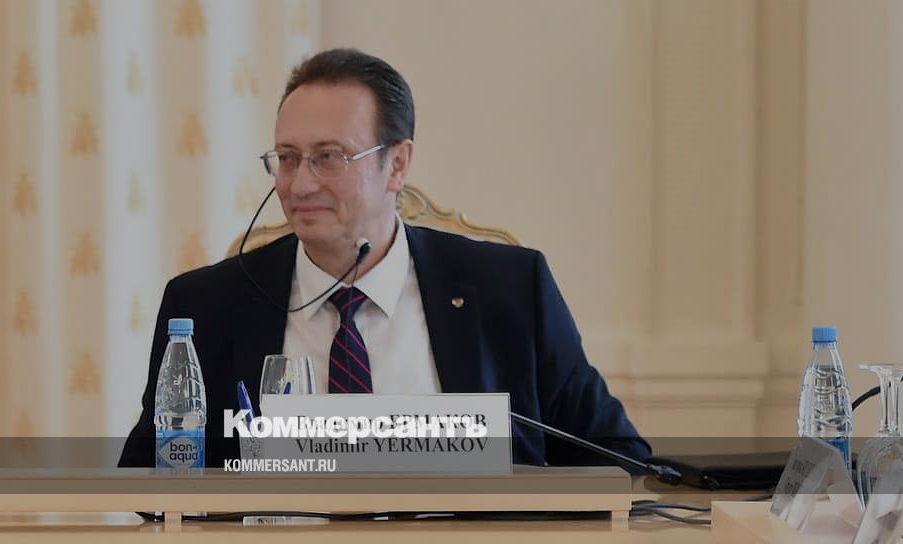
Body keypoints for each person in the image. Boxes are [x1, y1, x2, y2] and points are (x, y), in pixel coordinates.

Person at [119, 48, 650, 469]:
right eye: (287, 159)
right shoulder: (206, 305)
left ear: (397, 164)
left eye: (328, 157)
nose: (300, 185)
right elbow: (151, 484)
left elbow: (620, 460)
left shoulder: (510, 290)